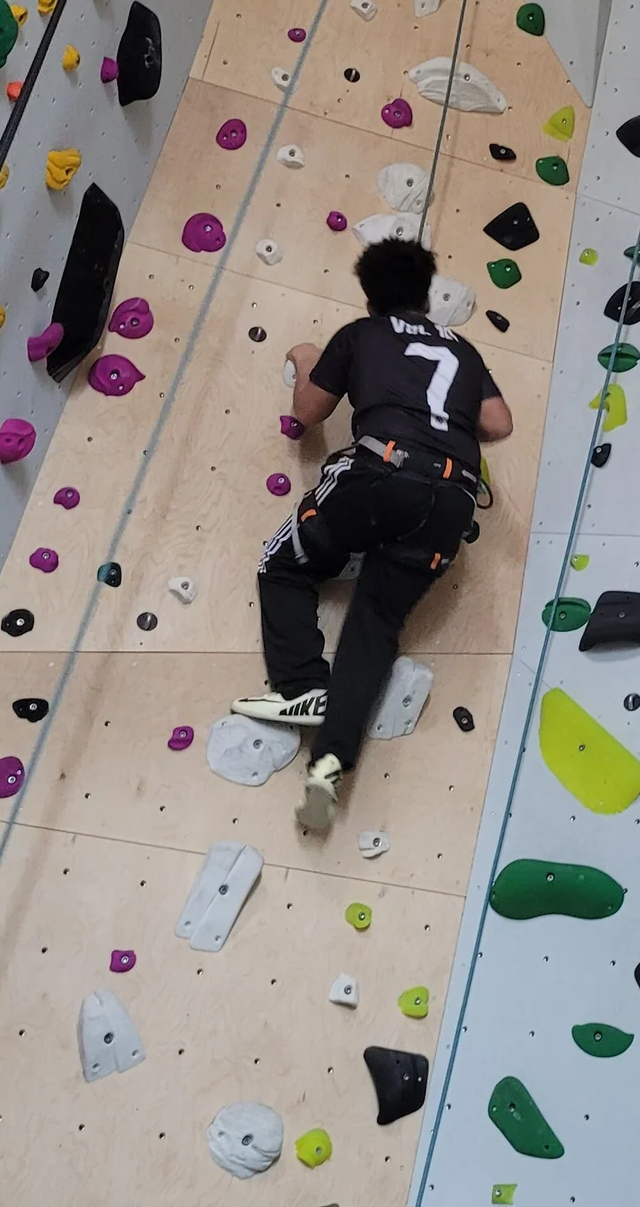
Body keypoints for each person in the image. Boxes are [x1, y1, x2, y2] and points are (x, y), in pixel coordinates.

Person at [232, 237, 511, 833]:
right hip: (451, 499)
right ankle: (330, 761)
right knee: (374, 629)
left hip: (379, 471)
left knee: (284, 563)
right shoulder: (462, 348)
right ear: (425, 294)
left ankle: (304, 686)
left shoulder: (360, 335)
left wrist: (307, 356)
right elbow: (498, 422)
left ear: (369, 296)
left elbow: (308, 413)